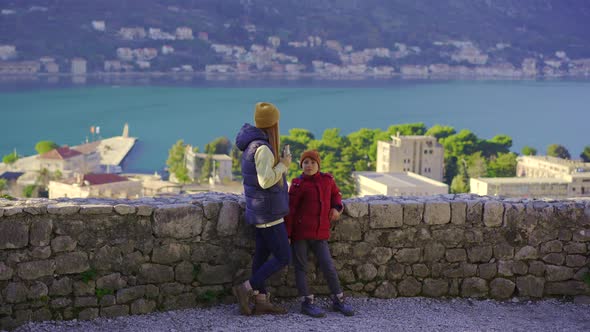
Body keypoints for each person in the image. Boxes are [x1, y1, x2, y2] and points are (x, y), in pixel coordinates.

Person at [233, 102, 292, 316]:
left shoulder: (252, 145)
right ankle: (246, 288)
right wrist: (284, 163)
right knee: (284, 257)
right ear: (273, 124)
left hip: (259, 212)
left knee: (260, 257)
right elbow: (266, 181)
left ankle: (261, 301)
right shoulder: (263, 148)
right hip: (269, 214)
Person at [285, 150, 355, 317]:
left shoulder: (327, 180)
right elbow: (290, 211)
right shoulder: (297, 184)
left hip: (320, 234)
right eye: (305, 162)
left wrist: (337, 208)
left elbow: (336, 195)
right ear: (301, 165)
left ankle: (338, 299)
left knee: (328, 266)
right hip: (300, 234)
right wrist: (287, 234)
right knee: (301, 267)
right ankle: (306, 302)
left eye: (312, 162)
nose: (309, 165)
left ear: (318, 165)